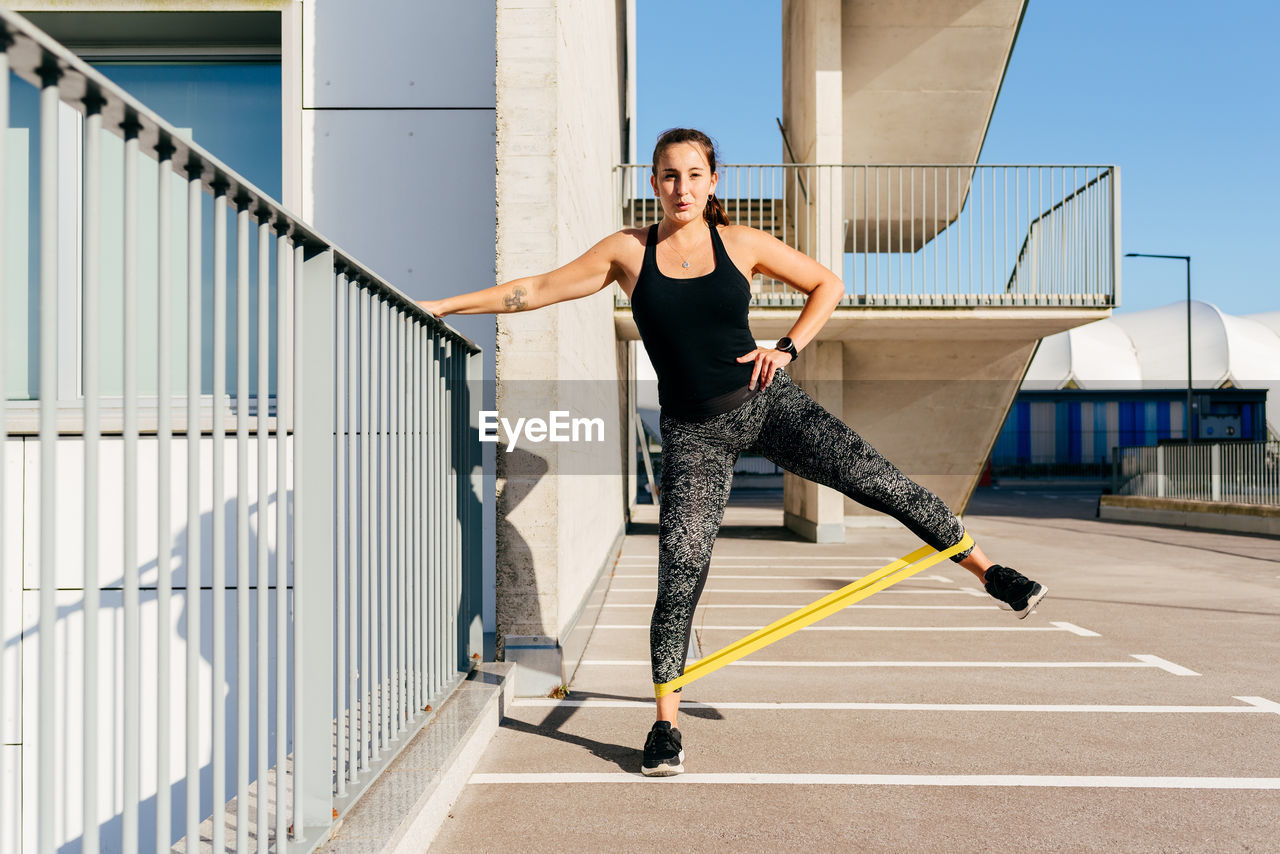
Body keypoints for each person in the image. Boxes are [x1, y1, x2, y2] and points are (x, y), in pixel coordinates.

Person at [417, 127, 1048, 778]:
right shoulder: (628, 253)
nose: (681, 187)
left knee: (880, 481)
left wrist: (788, 345)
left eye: (693, 175)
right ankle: (666, 727)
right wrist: (446, 305)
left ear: (713, 182)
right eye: (668, 175)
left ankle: (992, 573)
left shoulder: (740, 243)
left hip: (770, 404)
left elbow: (825, 284)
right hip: (693, 436)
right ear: (653, 183)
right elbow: (536, 289)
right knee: (679, 574)